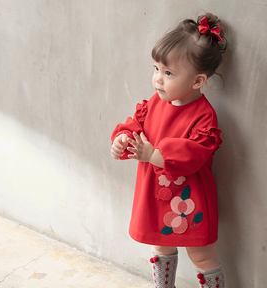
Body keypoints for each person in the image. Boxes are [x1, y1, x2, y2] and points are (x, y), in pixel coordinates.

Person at [111, 12, 227, 288]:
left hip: (189, 199)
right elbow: (136, 126)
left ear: (197, 81)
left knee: (201, 256)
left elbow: (192, 156)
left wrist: (152, 154)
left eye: (168, 73)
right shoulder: (154, 103)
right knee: (160, 246)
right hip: (156, 194)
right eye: (156, 69)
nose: (158, 80)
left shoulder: (203, 117)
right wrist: (123, 140)